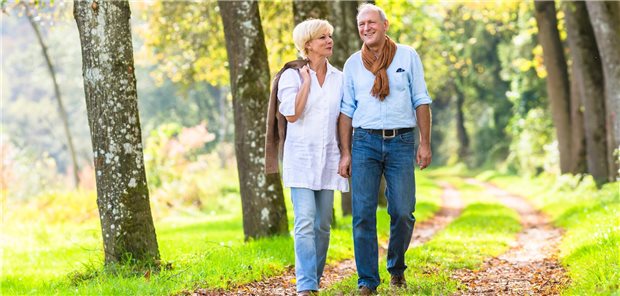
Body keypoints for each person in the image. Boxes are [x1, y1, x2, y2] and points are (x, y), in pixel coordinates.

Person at [337, 3, 433, 295]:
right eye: (361, 24)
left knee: (403, 211)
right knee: (363, 213)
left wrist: (424, 143)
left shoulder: (407, 56)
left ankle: (396, 267)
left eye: (371, 22)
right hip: (364, 141)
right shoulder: (353, 63)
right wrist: (345, 152)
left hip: (401, 141)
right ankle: (367, 280)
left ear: (385, 24)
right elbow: (346, 111)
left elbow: (421, 100)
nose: (366, 28)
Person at [265, 19, 348, 296]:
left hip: (329, 159)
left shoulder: (339, 78)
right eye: (322, 37)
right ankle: (306, 286)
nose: (329, 40)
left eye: (330, 36)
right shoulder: (291, 76)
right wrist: (305, 83)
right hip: (300, 159)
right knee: (305, 220)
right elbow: (292, 114)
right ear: (307, 44)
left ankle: (315, 277)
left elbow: (344, 118)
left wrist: (346, 153)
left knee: (323, 224)